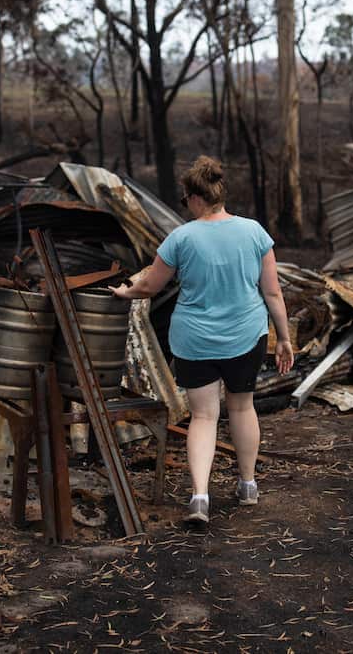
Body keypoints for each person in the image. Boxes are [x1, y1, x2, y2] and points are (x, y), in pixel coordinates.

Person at [109, 155, 294, 525]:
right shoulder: (255, 232)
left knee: (204, 416)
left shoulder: (181, 237)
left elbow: (149, 286)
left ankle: (199, 497)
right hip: (246, 334)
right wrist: (284, 338)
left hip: (196, 340)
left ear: (194, 197)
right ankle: (248, 485)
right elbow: (272, 293)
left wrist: (123, 292)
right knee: (242, 408)